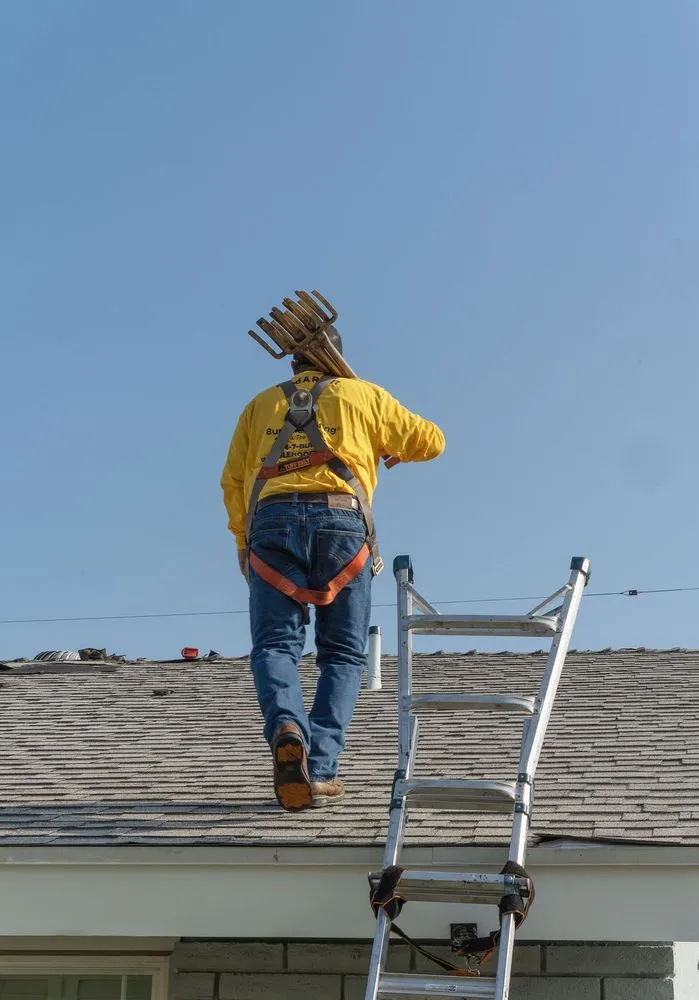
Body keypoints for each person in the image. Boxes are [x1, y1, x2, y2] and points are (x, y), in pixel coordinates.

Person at [221, 327, 445, 812]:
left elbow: (234, 479)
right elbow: (433, 441)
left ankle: (286, 727)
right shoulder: (363, 396)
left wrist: (243, 540)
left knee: (276, 644)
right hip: (342, 522)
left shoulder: (258, 405)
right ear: (337, 358)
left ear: (293, 365)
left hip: (270, 523)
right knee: (343, 653)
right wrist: (384, 430)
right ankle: (318, 768)